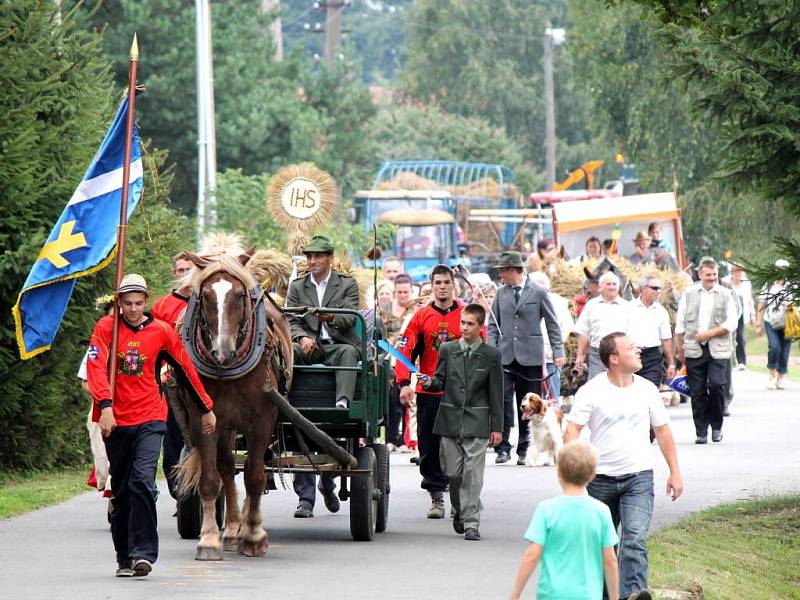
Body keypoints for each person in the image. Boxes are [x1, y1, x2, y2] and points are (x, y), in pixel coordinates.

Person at [87, 274, 216, 578]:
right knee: (121, 490)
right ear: (119, 303)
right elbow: (95, 367)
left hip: (150, 416)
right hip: (115, 420)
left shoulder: (161, 331)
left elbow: (185, 367)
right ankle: (123, 555)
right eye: (127, 303)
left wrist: (206, 407)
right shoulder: (106, 329)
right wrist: (105, 406)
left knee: (143, 482)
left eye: (138, 303)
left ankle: (143, 553)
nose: (133, 309)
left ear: (146, 302)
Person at [565, 332, 683, 600]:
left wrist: (675, 472)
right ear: (614, 358)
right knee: (603, 547)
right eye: (631, 347)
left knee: (634, 539)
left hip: (638, 477)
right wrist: (577, 473)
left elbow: (662, 431)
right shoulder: (592, 390)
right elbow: (572, 431)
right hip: (599, 479)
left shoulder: (647, 389)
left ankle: (632, 595)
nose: (639, 350)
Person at [285, 235, 361, 518]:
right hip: (308, 347)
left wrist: (328, 317)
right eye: (309, 257)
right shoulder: (297, 286)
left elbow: (350, 317)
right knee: (286, 352)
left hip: (338, 343)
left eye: (318, 256)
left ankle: (342, 400)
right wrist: (303, 335)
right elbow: (290, 319)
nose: (313, 261)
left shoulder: (346, 284)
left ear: (330, 258)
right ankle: (305, 499)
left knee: (348, 355)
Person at [420, 303, 503, 541]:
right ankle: (459, 509)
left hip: (477, 422)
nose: (464, 327)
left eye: (470, 324)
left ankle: (471, 523)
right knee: (454, 475)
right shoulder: (447, 349)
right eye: (462, 323)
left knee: (473, 476)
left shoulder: (491, 355)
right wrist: (429, 383)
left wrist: (497, 427)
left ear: (480, 327)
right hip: (449, 420)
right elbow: (439, 380)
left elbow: (497, 394)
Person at [510, 440, 620, 600]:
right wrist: (614, 596)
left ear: (559, 471)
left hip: (552, 594)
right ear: (593, 474)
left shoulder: (546, 510)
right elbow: (610, 559)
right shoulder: (601, 511)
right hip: (588, 594)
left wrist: (516, 594)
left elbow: (532, 554)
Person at [396, 264, 463, 518]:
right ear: (431, 285)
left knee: (458, 448)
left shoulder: (466, 314)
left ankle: (459, 498)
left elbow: (482, 351)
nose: (442, 287)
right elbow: (405, 352)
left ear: (453, 285)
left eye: (446, 282)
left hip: (460, 393)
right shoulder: (420, 317)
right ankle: (436, 496)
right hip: (429, 392)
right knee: (430, 447)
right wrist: (404, 383)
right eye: (438, 283)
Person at [488, 251, 564, 465]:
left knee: (529, 405)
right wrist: (491, 350)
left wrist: (558, 352)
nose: (501, 275)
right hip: (504, 356)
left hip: (530, 356)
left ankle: (524, 448)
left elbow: (552, 323)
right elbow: (493, 325)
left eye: (503, 270)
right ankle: (502, 447)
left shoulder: (538, 292)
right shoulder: (500, 293)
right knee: (502, 402)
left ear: (513, 270)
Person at [675, 257, 737, 443]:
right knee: (697, 391)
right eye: (708, 275)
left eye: (715, 274)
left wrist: (709, 334)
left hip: (718, 349)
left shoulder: (726, 294)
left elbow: (731, 323)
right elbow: (680, 324)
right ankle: (701, 431)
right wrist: (680, 350)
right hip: (694, 349)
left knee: (717, 385)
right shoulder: (689, 293)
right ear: (700, 275)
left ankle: (717, 426)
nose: (712, 278)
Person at [150, 251, 194, 502]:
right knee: (173, 443)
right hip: (171, 382)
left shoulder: (207, 299)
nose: (186, 275)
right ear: (174, 273)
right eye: (181, 270)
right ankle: (180, 494)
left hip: (202, 381)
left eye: (190, 269)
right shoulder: (162, 306)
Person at [381, 273, 416, 452]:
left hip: (410, 361)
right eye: (400, 292)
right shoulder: (385, 310)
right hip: (390, 360)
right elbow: (380, 338)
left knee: (407, 402)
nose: (403, 295)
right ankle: (391, 438)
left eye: (406, 292)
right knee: (392, 401)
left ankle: (405, 439)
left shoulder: (415, 310)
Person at [529, 271, 575, 404]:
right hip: (528, 359)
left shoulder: (558, 303)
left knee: (552, 396)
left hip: (551, 357)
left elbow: (567, 329)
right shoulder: (523, 301)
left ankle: (554, 423)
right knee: (531, 398)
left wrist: (557, 349)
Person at [575, 271, 630, 380]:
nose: (612, 287)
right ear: (601, 287)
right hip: (597, 355)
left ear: (619, 287)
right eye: (608, 284)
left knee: (620, 386)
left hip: (620, 354)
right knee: (597, 387)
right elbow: (583, 332)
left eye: (614, 284)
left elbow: (632, 334)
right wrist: (580, 355)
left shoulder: (627, 307)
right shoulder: (591, 305)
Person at [629, 276, 676, 388]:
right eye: (654, 288)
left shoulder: (661, 311)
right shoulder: (628, 308)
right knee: (631, 390)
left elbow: (666, 339)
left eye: (659, 288)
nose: (658, 291)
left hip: (652, 356)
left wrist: (671, 364)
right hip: (631, 354)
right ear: (643, 288)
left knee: (651, 388)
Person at [756, 259, 794, 390]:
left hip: (788, 323)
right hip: (770, 321)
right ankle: (772, 376)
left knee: (784, 352)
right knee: (775, 347)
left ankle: (780, 378)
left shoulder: (793, 286)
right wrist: (758, 324)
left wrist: (791, 305)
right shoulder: (768, 285)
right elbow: (761, 303)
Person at [724, 264, 755, 369]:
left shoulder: (746, 284)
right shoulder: (725, 282)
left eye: (740, 271)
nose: (738, 274)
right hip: (727, 313)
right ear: (732, 272)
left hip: (741, 314)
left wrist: (752, 314)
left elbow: (750, 300)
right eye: (736, 271)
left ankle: (742, 361)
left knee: (739, 337)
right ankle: (729, 361)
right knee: (728, 336)